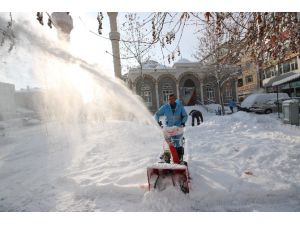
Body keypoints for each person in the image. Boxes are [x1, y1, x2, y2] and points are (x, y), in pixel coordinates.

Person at [154, 94, 188, 161]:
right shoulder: (165, 107)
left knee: (178, 142)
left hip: (178, 128)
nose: (170, 100)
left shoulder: (179, 107)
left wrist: (183, 122)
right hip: (168, 128)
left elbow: (185, 115)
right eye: (169, 99)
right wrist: (158, 122)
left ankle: (179, 158)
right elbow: (157, 114)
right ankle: (167, 158)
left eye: (172, 99)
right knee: (169, 143)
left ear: (175, 99)